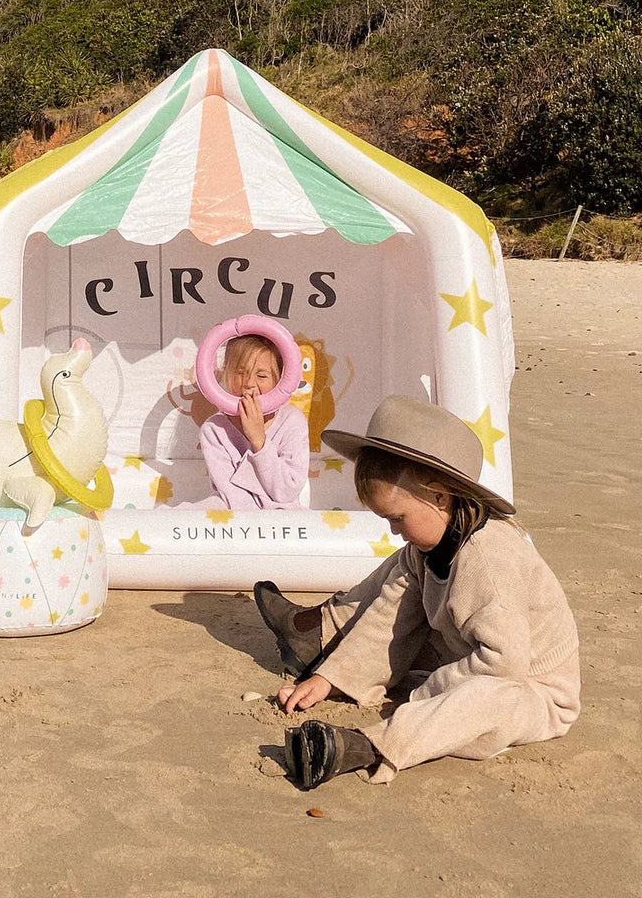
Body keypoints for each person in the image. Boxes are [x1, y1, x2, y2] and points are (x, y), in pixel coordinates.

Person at [253, 395, 580, 789]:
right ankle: (319, 633)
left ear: (440, 497)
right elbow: (389, 620)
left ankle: (368, 746)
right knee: (401, 568)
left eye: (397, 518)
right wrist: (331, 677)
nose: (394, 530)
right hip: (465, 652)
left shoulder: (489, 563)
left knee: (485, 700)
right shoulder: (430, 543)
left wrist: (427, 694)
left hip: (531, 690)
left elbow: (504, 666)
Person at [197, 332, 309, 510]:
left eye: (262, 376)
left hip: (283, 515)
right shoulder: (214, 429)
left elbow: (287, 492)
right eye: (240, 372)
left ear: (279, 379)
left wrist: (259, 441)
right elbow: (231, 494)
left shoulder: (292, 421)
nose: (249, 383)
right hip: (231, 511)